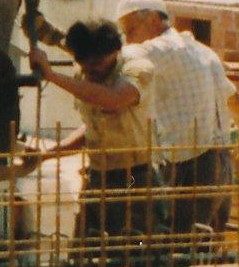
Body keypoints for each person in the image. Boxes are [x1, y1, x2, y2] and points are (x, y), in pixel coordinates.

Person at [114, 0, 239, 233]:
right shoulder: (203, 52)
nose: (128, 40)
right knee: (207, 244)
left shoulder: (155, 50)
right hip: (221, 166)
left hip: (189, 166)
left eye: (130, 31)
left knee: (179, 245)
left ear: (153, 19)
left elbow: (114, 60)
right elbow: (237, 103)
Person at [28, 17, 156, 249]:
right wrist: (46, 154)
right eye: (84, 65)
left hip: (134, 180)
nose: (90, 72)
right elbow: (94, 132)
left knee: (129, 257)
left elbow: (113, 99)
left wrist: (52, 75)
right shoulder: (87, 70)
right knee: (83, 257)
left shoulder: (137, 68)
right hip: (97, 178)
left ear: (115, 52)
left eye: (96, 64)